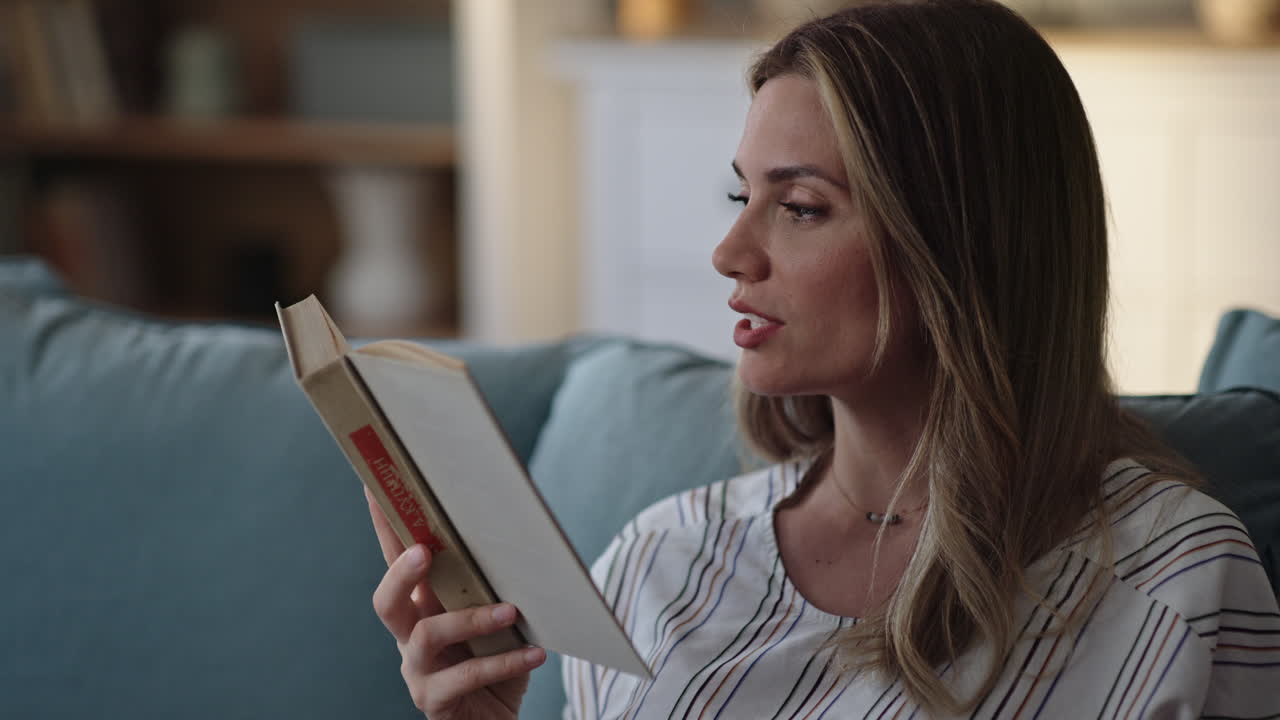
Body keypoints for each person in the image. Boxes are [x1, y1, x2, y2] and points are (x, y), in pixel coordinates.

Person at [366, 1, 1280, 717]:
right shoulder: (662, 560)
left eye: (799, 207)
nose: (730, 252)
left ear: (963, 243)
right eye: (741, 193)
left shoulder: (1174, 582)